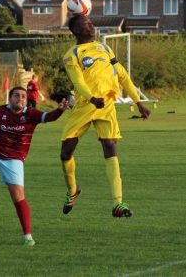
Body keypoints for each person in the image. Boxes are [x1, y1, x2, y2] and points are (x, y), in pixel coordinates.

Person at [61, 15, 151, 217]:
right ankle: (73, 191)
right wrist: (91, 98)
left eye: (92, 23)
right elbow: (77, 81)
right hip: (85, 105)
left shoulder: (104, 48)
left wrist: (138, 102)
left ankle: (118, 204)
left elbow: (122, 75)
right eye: (87, 24)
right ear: (76, 30)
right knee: (66, 152)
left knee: (110, 146)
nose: (92, 27)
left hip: (107, 104)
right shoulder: (72, 54)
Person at [0, 86, 69, 246]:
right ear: (10, 98)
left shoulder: (31, 114)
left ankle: (28, 237)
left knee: (18, 197)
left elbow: (50, 117)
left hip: (14, 160)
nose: (21, 99)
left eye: (23, 96)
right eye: (17, 96)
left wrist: (60, 110)